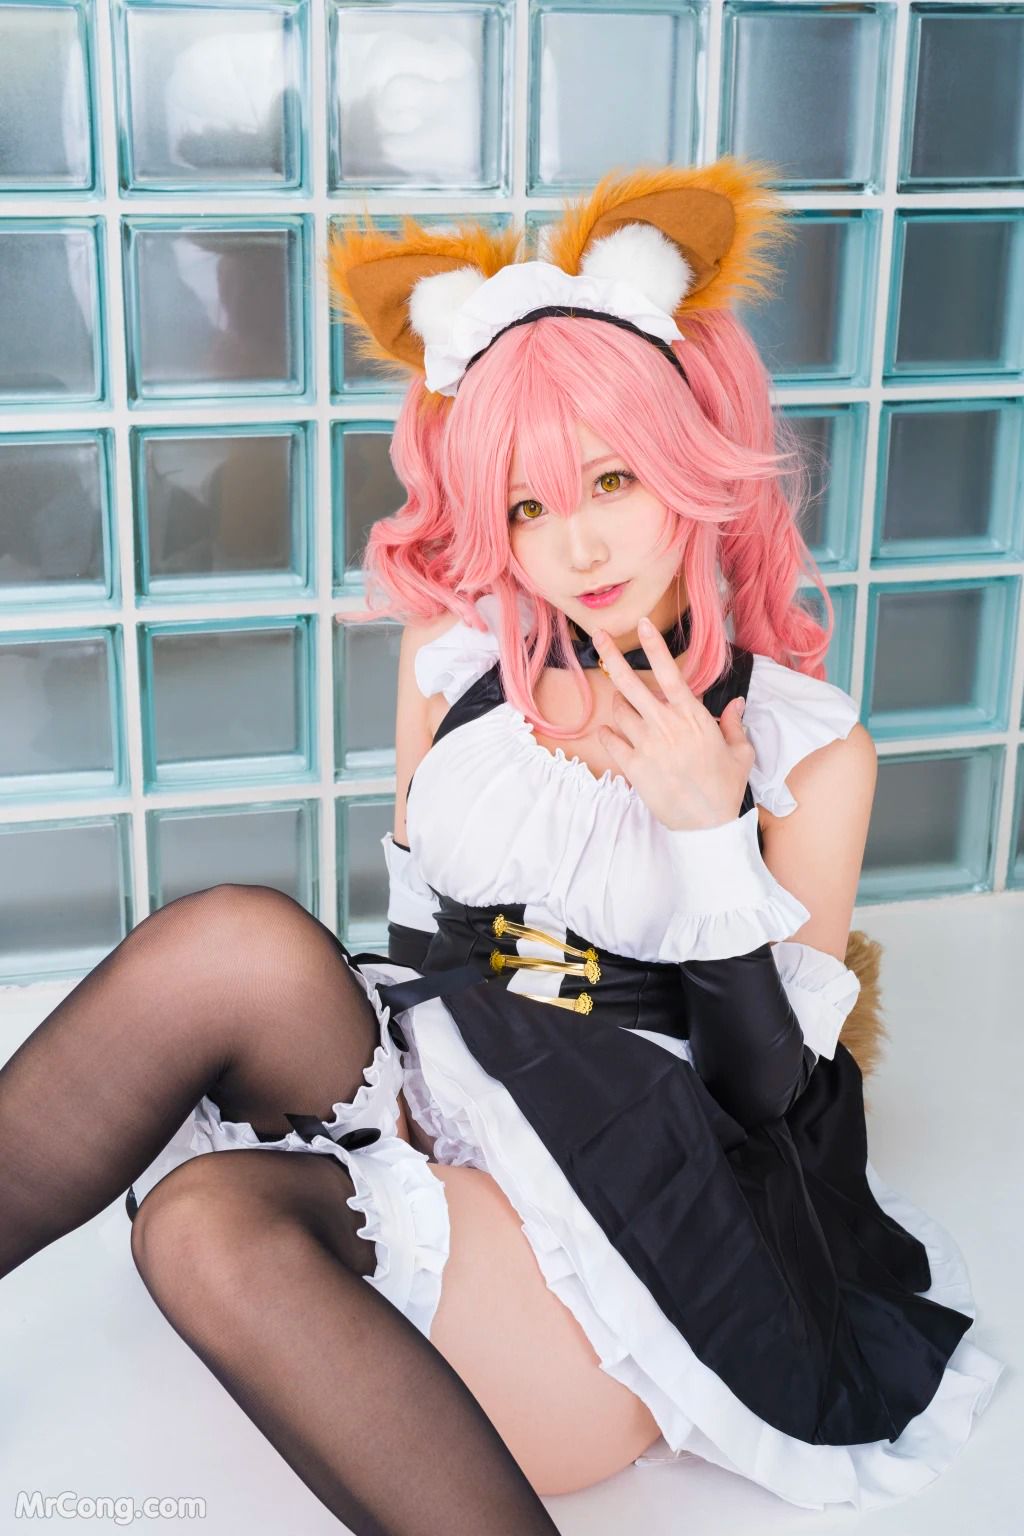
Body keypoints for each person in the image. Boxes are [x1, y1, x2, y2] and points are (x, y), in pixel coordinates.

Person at [0, 159, 1002, 1528]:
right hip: (454, 1082)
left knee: (198, 1220)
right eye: (528, 506)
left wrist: (709, 829)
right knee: (232, 939)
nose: (575, 545)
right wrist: (426, 1115)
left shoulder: (807, 753)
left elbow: (773, 1104)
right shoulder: (459, 666)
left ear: (691, 463)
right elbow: (420, 944)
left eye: (611, 479)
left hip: (642, 1192)